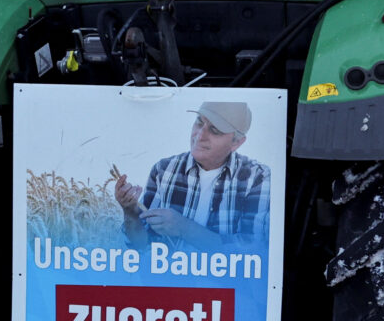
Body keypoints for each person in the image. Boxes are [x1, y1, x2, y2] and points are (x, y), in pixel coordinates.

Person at [114, 101, 271, 251]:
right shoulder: (164, 169)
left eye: (215, 130)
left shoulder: (257, 178)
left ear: (237, 142)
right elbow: (141, 245)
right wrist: (130, 213)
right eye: (199, 122)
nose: (200, 135)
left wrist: (184, 227)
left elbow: (252, 252)